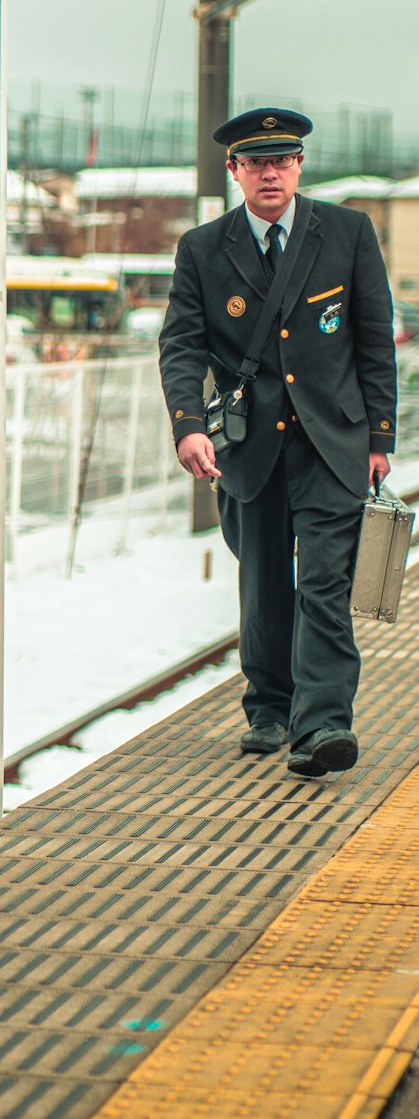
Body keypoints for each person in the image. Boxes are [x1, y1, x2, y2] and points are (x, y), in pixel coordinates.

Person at [158, 108, 396, 778]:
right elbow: (181, 344)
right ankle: (269, 704)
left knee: (324, 581)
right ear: (234, 170)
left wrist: (380, 434)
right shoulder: (203, 249)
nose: (271, 172)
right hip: (248, 443)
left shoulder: (348, 233)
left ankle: (322, 724)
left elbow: (374, 340)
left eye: (283, 159)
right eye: (256, 161)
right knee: (263, 578)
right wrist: (188, 425)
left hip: (333, 442)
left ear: (299, 166)